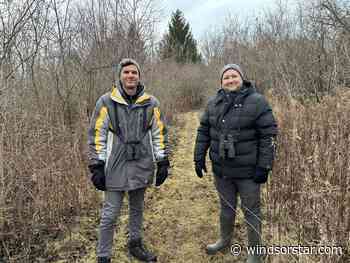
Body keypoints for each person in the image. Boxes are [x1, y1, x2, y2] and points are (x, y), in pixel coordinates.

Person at [88, 58, 170, 263]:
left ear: (139, 76)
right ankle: (103, 255)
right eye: (126, 72)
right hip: (115, 164)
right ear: (120, 76)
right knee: (110, 214)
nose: (130, 75)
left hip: (141, 163)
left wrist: (162, 162)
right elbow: (97, 134)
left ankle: (135, 245)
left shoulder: (152, 103)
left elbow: (159, 133)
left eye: (134, 72)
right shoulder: (105, 102)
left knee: (137, 209)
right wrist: (97, 165)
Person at [193, 64, 277, 263]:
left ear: (242, 78)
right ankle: (224, 240)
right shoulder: (213, 103)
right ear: (221, 82)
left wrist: (264, 166)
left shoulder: (257, 101)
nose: (230, 80)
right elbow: (203, 130)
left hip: (249, 172)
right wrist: (198, 156)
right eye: (226, 78)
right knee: (226, 208)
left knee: (251, 211)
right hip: (222, 171)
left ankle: (256, 252)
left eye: (234, 76)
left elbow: (269, 135)